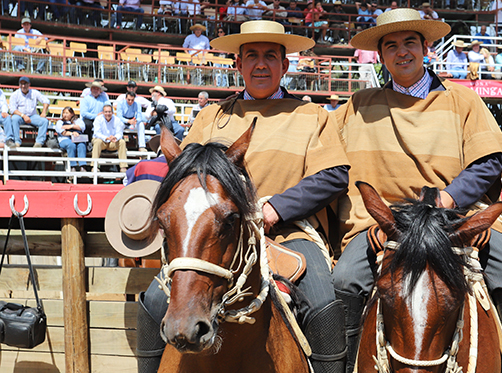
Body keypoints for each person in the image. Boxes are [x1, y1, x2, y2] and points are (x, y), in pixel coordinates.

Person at [136, 20, 350, 373]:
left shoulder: (312, 116)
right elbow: (186, 183)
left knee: (323, 300)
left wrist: (274, 208)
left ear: (285, 64)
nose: (261, 64)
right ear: (238, 64)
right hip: (215, 239)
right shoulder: (210, 117)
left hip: (289, 234)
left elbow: (333, 176)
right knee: (156, 300)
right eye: (251, 56)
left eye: (270, 56)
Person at [333, 9, 502, 373]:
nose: (401, 52)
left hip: (452, 217)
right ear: (380, 56)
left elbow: (488, 162)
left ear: (426, 47)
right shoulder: (358, 106)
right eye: (390, 45)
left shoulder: (463, 100)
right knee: (344, 280)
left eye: (409, 42)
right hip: (384, 223)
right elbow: (329, 160)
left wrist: (447, 199)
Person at [6, 76, 49, 148]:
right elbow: (13, 110)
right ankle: (17, 142)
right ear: (19, 85)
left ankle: (39, 142)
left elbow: (46, 101)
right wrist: (23, 115)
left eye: (25, 84)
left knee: (44, 121)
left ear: (29, 84)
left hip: (32, 116)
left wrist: (44, 112)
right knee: (14, 119)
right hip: (20, 116)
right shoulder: (15, 94)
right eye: (21, 84)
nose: (23, 86)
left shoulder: (35, 93)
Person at [92, 103, 127, 173]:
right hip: (101, 141)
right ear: (102, 112)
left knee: (122, 142)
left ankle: (123, 167)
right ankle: (94, 166)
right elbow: (97, 133)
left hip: (112, 142)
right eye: (106, 112)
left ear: (112, 112)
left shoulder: (117, 120)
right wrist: (106, 138)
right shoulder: (98, 119)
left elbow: (120, 133)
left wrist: (115, 137)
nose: (108, 113)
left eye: (109, 112)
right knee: (97, 141)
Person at [56, 107, 88, 172]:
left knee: (82, 145)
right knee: (71, 145)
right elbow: (62, 131)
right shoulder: (60, 122)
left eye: (67, 113)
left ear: (72, 114)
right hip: (65, 139)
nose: (65, 115)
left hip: (78, 139)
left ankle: (82, 166)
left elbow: (82, 127)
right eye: (64, 113)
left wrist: (71, 126)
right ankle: (72, 166)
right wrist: (72, 133)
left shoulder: (78, 121)